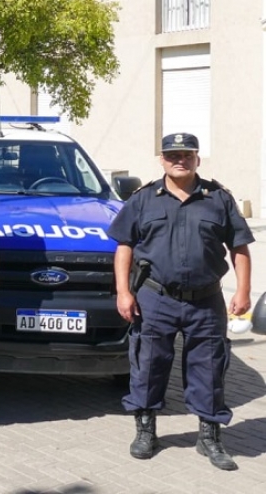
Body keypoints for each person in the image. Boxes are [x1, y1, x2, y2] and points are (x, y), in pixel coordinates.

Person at [106, 133, 253, 471]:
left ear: (197, 158)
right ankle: (146, 431)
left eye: (187, 154)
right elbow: (124, 246)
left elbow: (239, 247)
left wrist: (243, 291)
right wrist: (124, 292)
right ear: (162, 159)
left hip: (206, 299)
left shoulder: (218, 198)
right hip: (155, 298)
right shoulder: (144, 199)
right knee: (148, 365)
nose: (180, 160)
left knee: (210, 367)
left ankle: (209, 436)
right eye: (173, 155)